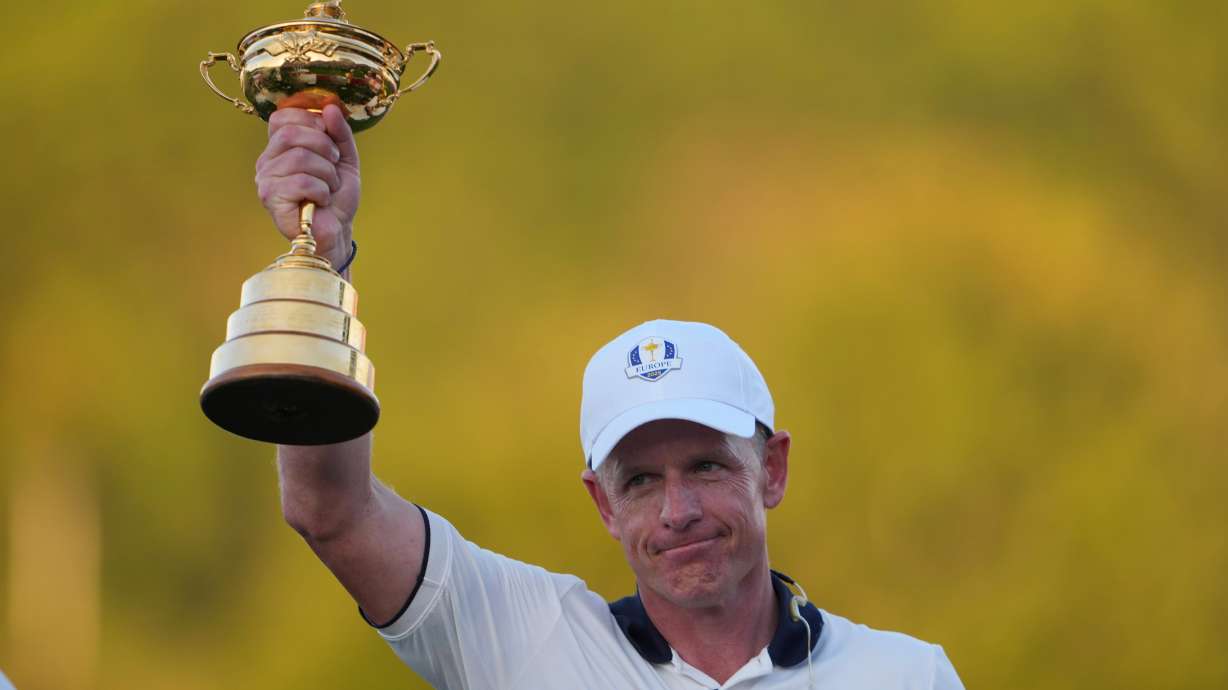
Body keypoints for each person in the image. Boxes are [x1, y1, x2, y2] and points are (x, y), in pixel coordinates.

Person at [256, 104, 965, 689]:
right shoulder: (527, 641)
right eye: (642, 480)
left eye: (708, 466)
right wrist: (322, 257)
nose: (678, 512)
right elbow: (332, 509)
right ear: (602, 502)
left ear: (772, 469)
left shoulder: (905, 675)